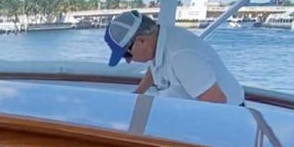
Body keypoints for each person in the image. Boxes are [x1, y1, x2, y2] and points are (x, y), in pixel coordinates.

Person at [104, 10, 244, 105]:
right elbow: (155, 66)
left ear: (142, 41)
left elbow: (217, 102)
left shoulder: (182, 56)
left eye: (126, 54)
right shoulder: (158, 40)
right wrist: (138, 93)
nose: (128, 60)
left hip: (226, 118)